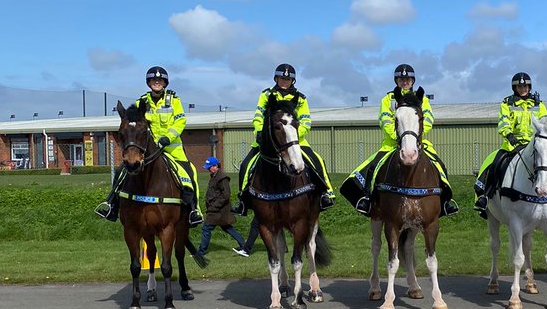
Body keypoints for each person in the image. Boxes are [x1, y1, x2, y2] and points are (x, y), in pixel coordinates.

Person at [339, 64, 458, 216]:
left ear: (413, 80)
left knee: (440, 165)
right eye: (401, 79)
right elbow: (385, 120)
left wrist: (413, 136)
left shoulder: (422, 99)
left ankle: (446, 201)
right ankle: (367, 199)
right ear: (396, 81)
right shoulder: (388, 99)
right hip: (391, 144)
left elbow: (427, 120)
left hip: (418, 142)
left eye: (407, 79)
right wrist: (398, 136)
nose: (404, 82)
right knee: (372, 167)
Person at [95, 66, 203, 225]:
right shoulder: (141, 101)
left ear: (165, 83)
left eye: (160, 80)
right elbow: (134, 123)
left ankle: (194, 210)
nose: (157, 82)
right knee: (121, 172)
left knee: (189, 172)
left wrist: (168, 137)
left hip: (172, 147)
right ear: (149, 83)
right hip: (148, 148)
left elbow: (180, 121)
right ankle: (111, 204)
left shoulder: (174, 100)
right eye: (153, 80)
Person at [235, 63, 335, 214]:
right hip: (266, 140)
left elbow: (306, 122)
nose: (284, 82)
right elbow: (258, 117)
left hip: (295, 142)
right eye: (281, 79)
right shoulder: (266, 95)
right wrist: (260, 133)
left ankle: (326, 192)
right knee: (245, 165)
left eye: (287, 80)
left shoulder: (300, 99)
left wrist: (292, 136)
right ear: (276, 79)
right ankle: (243, 198)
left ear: (292, 81)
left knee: (317, 160)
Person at [473, 72, 547, 215]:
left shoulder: (539, 105)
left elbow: (544, 124)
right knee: (495, 164)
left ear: (529, 86)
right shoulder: (507, 103)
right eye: (519, 86)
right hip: (513, 145)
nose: (523, 88)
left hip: (534, 144)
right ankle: (485, 195)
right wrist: (509, 135)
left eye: (525, 86)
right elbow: (503, 122)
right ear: (515, 88)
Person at [195, 158, 246, 259]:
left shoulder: (222, 178)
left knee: (206, 228)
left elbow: (226, 194)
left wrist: (214, 206)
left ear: (216, 166)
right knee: (228, 228)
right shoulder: (215, 176)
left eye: (209, 168)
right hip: (218, 210)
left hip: (217, 210)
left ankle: (201, 252)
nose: (208, 170)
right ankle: (244, 245)